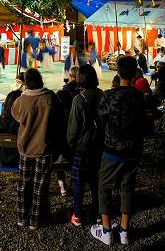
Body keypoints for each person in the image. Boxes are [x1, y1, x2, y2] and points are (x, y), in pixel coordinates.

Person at [92, 56, 145, 246]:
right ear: (134, 73)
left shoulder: (109, 96)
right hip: (133, 150)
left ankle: (106, 230)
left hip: (112, 150)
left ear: (118, 72)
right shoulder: (139, 97)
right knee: (127, 187)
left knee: (104, 187)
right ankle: (124, 230)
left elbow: (100, 117)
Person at [11, 69, 65, 229]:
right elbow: (60, 119)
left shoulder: (22, 100)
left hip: (25, 146)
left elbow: (15, 115)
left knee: (23, 183)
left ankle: (22, 217)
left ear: (26, 83)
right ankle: (35, 219)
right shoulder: (50, 98)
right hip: (44, 147)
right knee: (40, 185)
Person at [67, 65, 104, 226]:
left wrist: (70, 145)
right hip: (100, 146)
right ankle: (98, 213)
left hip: (82, 148)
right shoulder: (102, 95)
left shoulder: (78, 100)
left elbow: (73, 129)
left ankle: (77, 214)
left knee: (79, 182)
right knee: (96, 182)